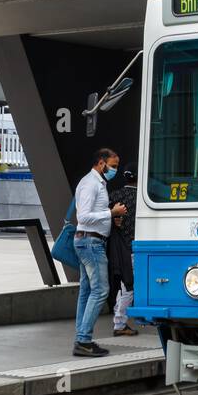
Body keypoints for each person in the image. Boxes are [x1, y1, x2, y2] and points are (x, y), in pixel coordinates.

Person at [72, 148, 127, 357]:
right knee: (100, 290)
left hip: (89, 241)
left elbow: (90, 216)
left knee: (87, 291)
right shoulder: (91, 184)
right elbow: (83, 217)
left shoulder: (97, 183)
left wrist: (110, 219)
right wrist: (111, 212)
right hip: (91, 242)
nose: (115, 170)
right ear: (101, 163)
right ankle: (84, 340)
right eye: (113, 166)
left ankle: (81, 338)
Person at [106, 167, 138, 337]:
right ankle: (119, 323)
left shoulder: (114, 196)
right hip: (134, 249)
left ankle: (118, 318)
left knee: (124, 285)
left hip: (117, 249)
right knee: (130, 287)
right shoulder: (141, 199)